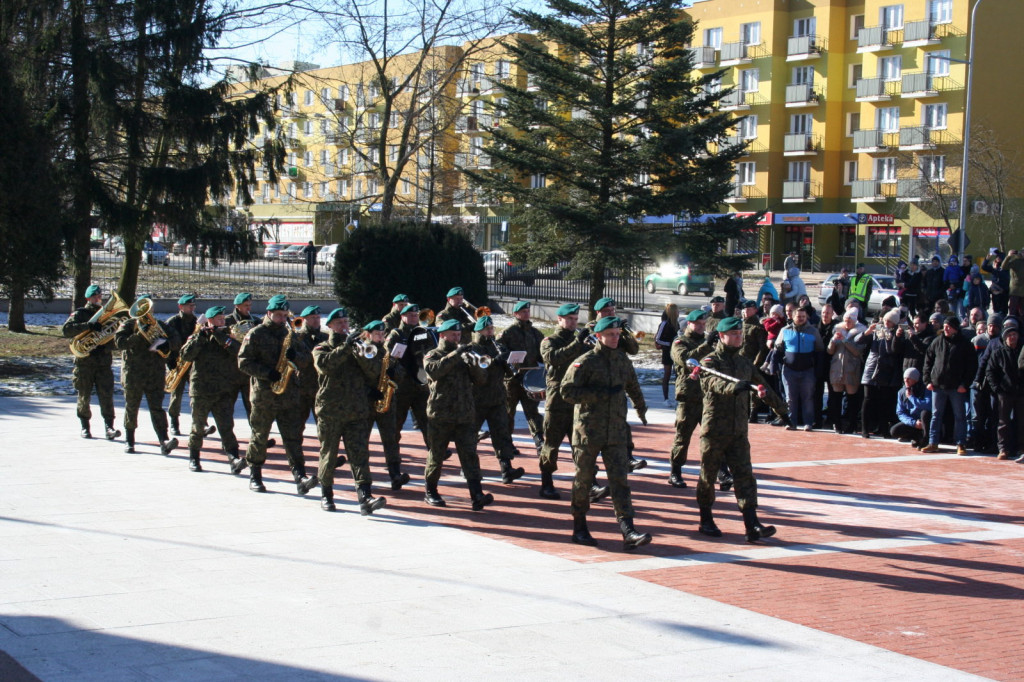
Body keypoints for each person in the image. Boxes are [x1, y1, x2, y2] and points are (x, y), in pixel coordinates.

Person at [695, 316, 788, 543]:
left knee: (745, 476)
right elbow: (712, 383)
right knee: (708, 476)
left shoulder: (744, 363)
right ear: (722, 336)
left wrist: (781, 410)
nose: (739, 338)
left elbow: (761, 385)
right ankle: (706, 519)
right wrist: (734, 387)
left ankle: (751, 523)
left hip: (738, 431)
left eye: (740, 334)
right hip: (715, 429)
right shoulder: (709, 362)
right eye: (734, 335)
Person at [560, 316, 651, 550]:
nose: (615, 338)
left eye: (618, 334)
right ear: (599, 336)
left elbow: (631, 384)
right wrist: (597, 393)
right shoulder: (586, 361)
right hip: (588, 432)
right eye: (610, 334)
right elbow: (566, 391)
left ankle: (628, 530)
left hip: (616, 432)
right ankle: (579, 527)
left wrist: (640, 406)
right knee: (583, 480)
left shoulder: (621, 359)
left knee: (620, 481)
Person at [237, 295, 318, 495]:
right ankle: (255, 475)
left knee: (293, 438)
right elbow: (243, 362)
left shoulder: (290, 333)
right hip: (264, 396)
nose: (282, 319)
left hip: (289, 395)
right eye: (279, 315)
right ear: (269, 313)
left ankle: (300, 476)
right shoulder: (256, 334)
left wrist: (295, 357)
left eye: (285, 315)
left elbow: (308, 359)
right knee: (260, 436)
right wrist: (267, 373)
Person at [312, 312, 387, 514]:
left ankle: (365, 496)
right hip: (331, 411)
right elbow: (325, 366)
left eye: (346, 322)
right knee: (329, 453)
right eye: (339, 323)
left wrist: (360, 352)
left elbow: (375, 371)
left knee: (360, 455)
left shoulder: (359, 348)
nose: (345, 326)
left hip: (357, 410)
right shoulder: (322, 348)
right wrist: (346, 347)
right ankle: (327, 494)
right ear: (330, 327)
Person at [422, 318, 494, 510]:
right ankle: (431, 491)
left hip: (465, 414)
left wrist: (475, 364)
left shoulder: (466, 356)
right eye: (453, 335)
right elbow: (434, 371)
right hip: (441, 414)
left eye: (459, 335)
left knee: (470, 455)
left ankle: (476, 494)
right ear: (442, 335)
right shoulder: (433, 354)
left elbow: (481, 380)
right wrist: (456, 353)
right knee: (436, 455)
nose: (457, 338)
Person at [538, 303, 607, 501]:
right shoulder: (549, 340)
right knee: (552, 444)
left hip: (578, 401)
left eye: (575, 319)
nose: (573, 322)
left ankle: (591, 485)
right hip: (558, 401)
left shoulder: (583, 340)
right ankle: (547, 483)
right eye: (569, 319)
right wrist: (577, 343)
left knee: (583, 445)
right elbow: (553, 358)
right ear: (559, 320)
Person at [178, 306, 242, 472]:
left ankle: (233, 457)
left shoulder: (228, 335)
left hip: (224, 389)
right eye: (219, 319)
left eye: (223, 318)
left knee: (227, 426)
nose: (223, 321)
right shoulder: (198, 335)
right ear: (210, 320)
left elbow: (239, 351)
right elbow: (185, 355)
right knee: (198, 426)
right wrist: (201, 337)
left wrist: (221, 337)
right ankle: (194, 457)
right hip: (202, 390)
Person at [114, 295, 180, 455]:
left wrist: (165, 342)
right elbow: (119, 343)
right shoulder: (129, 324)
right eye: (144, 308)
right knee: (132, 407)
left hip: (155, 373)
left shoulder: (160, 325)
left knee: (157, 408)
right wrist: (139, 335)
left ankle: (164, 440)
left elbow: (177, 340)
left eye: (149, 308)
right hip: (133, 373)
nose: (148, 311)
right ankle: (129, 441)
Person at [470, 315, 524, 484]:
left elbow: (507, 372)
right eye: (487, 329)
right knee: (470, 436)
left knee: (502, 434)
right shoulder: (473, 347)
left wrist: (509, 362)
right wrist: (495, 360)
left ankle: (506, 468)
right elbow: (480, 364)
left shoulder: (497, 346)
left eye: (492, 329)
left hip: (497, 398)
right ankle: (470, 469)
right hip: (477, 399)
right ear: (479, 331)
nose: (490, 332)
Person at [61, 285, 121, 441]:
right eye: (95, 296)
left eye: (100, 296)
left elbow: (114, 337)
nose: (98, 298)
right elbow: (66, 330)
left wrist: (107, 341)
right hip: (85, 363)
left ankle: (109, 426)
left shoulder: (107, 315)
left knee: (106, 395)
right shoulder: (81, 314)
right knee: (84, 395)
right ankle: (85, 426)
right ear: (88, 298)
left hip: (103, 362)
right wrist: (87, 326)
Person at [669, 310, 717, 489]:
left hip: (707, 396)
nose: (701, 327)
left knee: (713, 437)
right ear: (689, 324)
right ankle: (675, 472)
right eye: (698, 324)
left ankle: (720, 471)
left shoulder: (708, 343)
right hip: (688, 397)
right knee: (683, 436)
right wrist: (706, 345)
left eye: (703, 324)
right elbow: (685, 360)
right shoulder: (680, 342)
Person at [920, 316, 977, 455]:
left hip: (957, 387)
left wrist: (965, 384)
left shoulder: (965, 344)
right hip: (937, 385)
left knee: (960, 416)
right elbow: (928, 361)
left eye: (949, 326)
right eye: (945, 326)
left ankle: (961, 443)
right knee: (936, 415)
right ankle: (933, 443)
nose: (945, 328)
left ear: (956, 328)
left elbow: (972, 367)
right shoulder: (937, 341)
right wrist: (927, 381)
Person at [385, 303, 435, 448]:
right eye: (411, 315)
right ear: (403, 316)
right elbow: (388, 357)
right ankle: (392, 454)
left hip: (420, 385)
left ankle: (435, 451)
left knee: (427, 420)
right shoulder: (397, 334)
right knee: (397, 422)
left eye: (416, 315)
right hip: (402, 387)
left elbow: (431, 353)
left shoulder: (423, 333)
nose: (414, 318)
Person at [498, 301, 545, 451]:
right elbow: (500, 354)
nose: (526, 314)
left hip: (529, 379)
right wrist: (510, 369)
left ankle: (539, 440)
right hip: (511, 380)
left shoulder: (535, 333)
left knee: (532, 411)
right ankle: (507, 443)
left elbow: (542, 355)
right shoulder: (507, 333)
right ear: (516, 314)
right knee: (508, 412)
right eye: (523, 312)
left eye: (527, 311)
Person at [773, 307, 824, 431]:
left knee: (808, 397)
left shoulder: (813, 331)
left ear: (806, 317)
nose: (801, 319)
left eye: (803, 317)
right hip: (789, 370)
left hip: (808, 370)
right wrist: (774, 367)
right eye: (798, 316)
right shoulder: (784, 330)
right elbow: (777, 349)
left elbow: (820, 350)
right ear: (793, 317)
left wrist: (818, 369)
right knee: (790, 398)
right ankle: (791, 422)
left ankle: (808, 423)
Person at [858, 310, 905, 439]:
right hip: (872, 367)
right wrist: (867, 332)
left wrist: (894, 337)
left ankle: (884, 429)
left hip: (886, 370)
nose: (886, 323)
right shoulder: (876, 330)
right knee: (867, 399)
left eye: (889, 321)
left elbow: (894, 351)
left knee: (884, 402)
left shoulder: (897, 333)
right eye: (885, 320)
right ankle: (864, 428)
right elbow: (858, 340)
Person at [986, 323, 1024, 461]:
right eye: (1010, 335)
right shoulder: (998, 353)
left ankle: (1021, 448)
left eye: (1015, 334)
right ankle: (1003, 448)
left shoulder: (1022, 351)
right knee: (1003, 422)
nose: (1013, 337)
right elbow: (990, 371)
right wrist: (997, 388)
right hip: (1004, 392)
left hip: (1020, 392)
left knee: (1021, 421)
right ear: (1005, 337)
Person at [165, 294, 198, 437]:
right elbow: (165, 343)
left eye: (193, 305)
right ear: (181, 307)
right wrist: (169, 361)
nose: (192, 308)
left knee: (196, 394)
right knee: (176, 394)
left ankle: (199, 423)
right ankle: (174, 423)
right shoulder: (173, 322)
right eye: (189, 306)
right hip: (177, 363)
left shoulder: (197, 321)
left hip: (193, 363)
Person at [827, 309, 866, 434]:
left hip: (852, 369)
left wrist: (845, 340)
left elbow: (857, 351)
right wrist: (833, 340)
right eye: (845, 321)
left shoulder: (861, 332)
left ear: (855, 321)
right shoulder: (838, 329)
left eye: (850, 321)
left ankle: (852, 424)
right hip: (837, 368)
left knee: (852, 399)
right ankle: (837, 424)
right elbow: (829, 351)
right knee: (836, 398)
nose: (847, 323)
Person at [224, 292, 262, 420]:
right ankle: (228, 438)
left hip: (249, 371)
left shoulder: (256, 321)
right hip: (231, 370)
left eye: (250, 305)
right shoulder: (227, 321)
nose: (249, 308)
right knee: (227, 407)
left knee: (253, 406)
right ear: (237, 306)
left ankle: (257, 437)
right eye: (246, 305)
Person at [293, 305, 327, 427]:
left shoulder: (325, 337)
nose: (316, 320)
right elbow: (299, 361)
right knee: (297, 425)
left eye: (318, 317)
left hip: (320, 388)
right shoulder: (296, 337)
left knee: (324, 426)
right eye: (312, 317)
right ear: (304, 319)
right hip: (301, 387)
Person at [892, 368, 932, 448]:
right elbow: (900, 412)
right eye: (904, 378)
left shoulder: (925, 390)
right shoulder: (901, 392)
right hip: (913, 422)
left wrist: (911, 398)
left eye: (909, 378)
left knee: (925, 413)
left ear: (915, 379)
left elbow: (928, 405)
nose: (906, 380)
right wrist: (913, 423)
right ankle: (916, 437)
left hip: (925, 420)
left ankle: (926, 439)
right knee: (894, 431)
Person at [655, 303, 680, 404]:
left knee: (678, 374)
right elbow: (658, 339)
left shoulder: (677, 323)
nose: (678, 313)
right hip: (667, 352)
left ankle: (678, 396)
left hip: (677, 352)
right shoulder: (664, 324)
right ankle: (666, 398)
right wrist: (670, 344)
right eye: (677, 311)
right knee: (667, 374)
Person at [982, 250, 1009, 316]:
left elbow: (1002, 275)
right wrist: (987, 259)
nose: (998, 259)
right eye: (997, 258)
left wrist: (996, 269)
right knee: (996, 308)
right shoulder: (993, 266)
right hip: (995, 289)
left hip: (1004, 290)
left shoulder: (1006, 267)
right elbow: (983, 267)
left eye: (1000, 258)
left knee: (1003, 308)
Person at [1001, 249, 1024, 318]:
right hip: (1015, 290)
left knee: (1022, 311)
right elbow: (1003, 267)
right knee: (1012, 309)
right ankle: (1011, 322)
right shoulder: (1016, 261)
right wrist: (1008, 256)